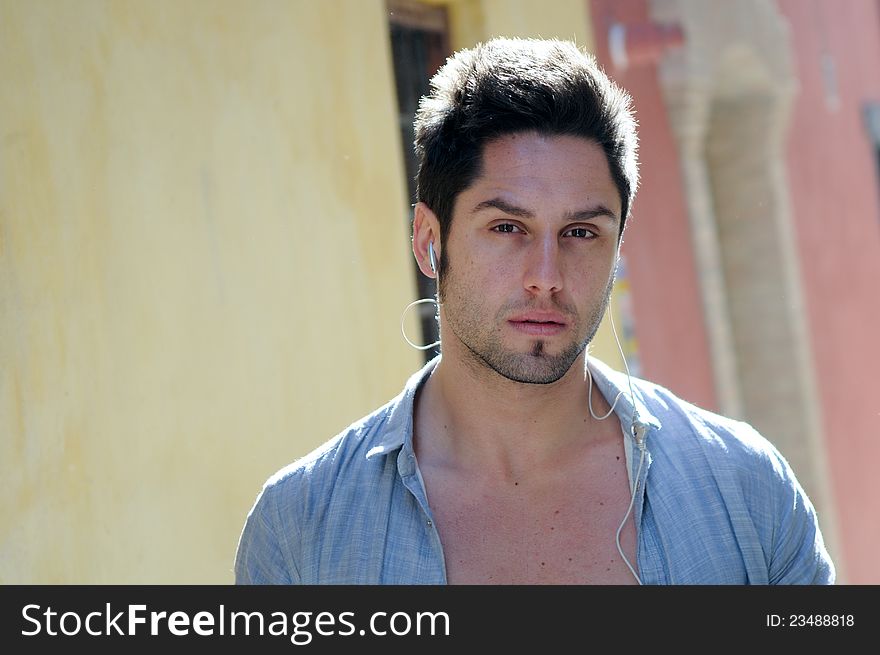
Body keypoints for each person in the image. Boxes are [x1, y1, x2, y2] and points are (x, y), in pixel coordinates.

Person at [234, 37, 835, 584]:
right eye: (506, 227)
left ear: (616, 248)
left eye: (579, 233)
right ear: (428, 241)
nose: (546, 277)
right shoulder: (303, 531)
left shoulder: (747, 490)